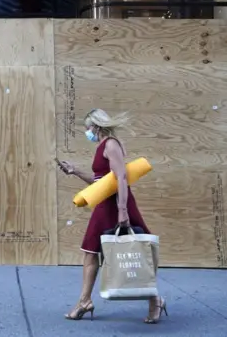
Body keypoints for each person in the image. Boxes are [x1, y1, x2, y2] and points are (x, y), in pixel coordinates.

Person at [57, 108, 167, 324]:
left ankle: (155, 300)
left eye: (87, 128)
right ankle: (84, 301)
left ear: (96, 126)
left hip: (116, 205)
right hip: (105, 205)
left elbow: (122, 178)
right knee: (90, 252)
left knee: (137, 252)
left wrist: (123, 210)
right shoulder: (102, 146)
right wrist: (75, 171)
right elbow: (101, 183)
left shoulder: (111, 144)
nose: (86, 132)